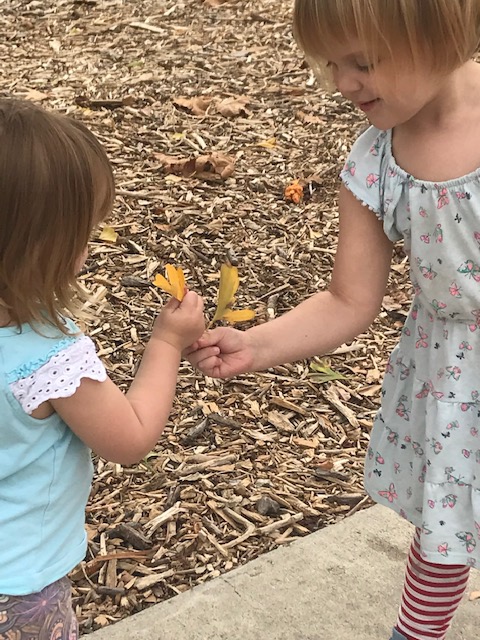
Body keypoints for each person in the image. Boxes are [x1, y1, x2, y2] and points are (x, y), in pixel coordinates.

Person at [186, 1, 480, 638]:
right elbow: (349, 299)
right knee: (446, 525)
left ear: (443, 34)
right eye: (332, 65)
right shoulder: (376, 163)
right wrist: (257, 345)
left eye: (365, 62)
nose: (345, 83)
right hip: (455, 379)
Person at [0, 99, 205, 638]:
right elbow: (129, 438)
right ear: (37, 246)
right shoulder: (47, 357)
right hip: (20, 586)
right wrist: (167, 342)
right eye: (83, 234)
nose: (90, 247)